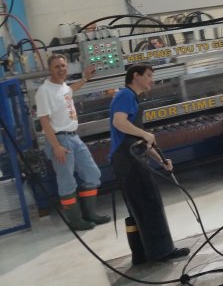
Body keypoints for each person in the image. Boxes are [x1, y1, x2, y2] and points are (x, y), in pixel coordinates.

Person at [109, 63, 189, 264]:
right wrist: (145, 134)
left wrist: (161, 160)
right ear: (136, 76)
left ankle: (143, 254)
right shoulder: (125, 95)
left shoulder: (133, 100)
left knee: (142, 207)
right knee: (149, 203)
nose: (152, 80)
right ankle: (162, 252)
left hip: (132, 158)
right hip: (128, 161)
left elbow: (140, 142)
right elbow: (119, 122)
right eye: (149, 76)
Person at [36, 54, 110, 231]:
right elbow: (44, 121)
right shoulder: (44, 91)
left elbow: (70, 90)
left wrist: (85, 78)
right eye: (57, 67)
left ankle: (89, 214)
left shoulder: (62, 86)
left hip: (73, 137)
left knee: (92, 173)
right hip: (60, 140)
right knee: (67, 181)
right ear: (49, 69)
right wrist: (56, 146)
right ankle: (75, 220)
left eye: (63, 66)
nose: (61, 69)